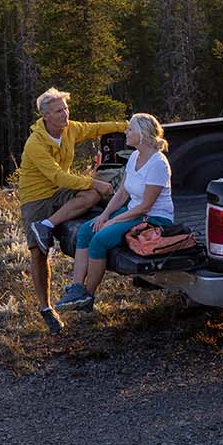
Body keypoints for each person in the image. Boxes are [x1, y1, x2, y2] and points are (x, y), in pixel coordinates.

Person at [18, 87, 127, 334]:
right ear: (46, 116)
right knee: (38, 253)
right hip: (36, 198)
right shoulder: (35, 143)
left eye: (66, 108)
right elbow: (58, 175)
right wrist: (95, 182)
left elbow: (95, 128)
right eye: (59, 111)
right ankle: (46, 308)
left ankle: (45, 225)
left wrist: (127, 125)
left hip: (59, 193)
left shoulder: (71, 128)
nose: (65, 114)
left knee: (91, 196)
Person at [56, 113, 173, 312]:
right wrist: (104, 215)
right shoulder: (135, 155)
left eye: (130, 129)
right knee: (87, 230)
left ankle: (88, 296)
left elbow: (145, 206)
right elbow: (122, 191)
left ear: (142, 134)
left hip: (154, 218)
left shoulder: (158, 164)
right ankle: (76, 288)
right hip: (132, 211)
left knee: (100, 240)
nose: (125, 132)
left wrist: (114, 221)